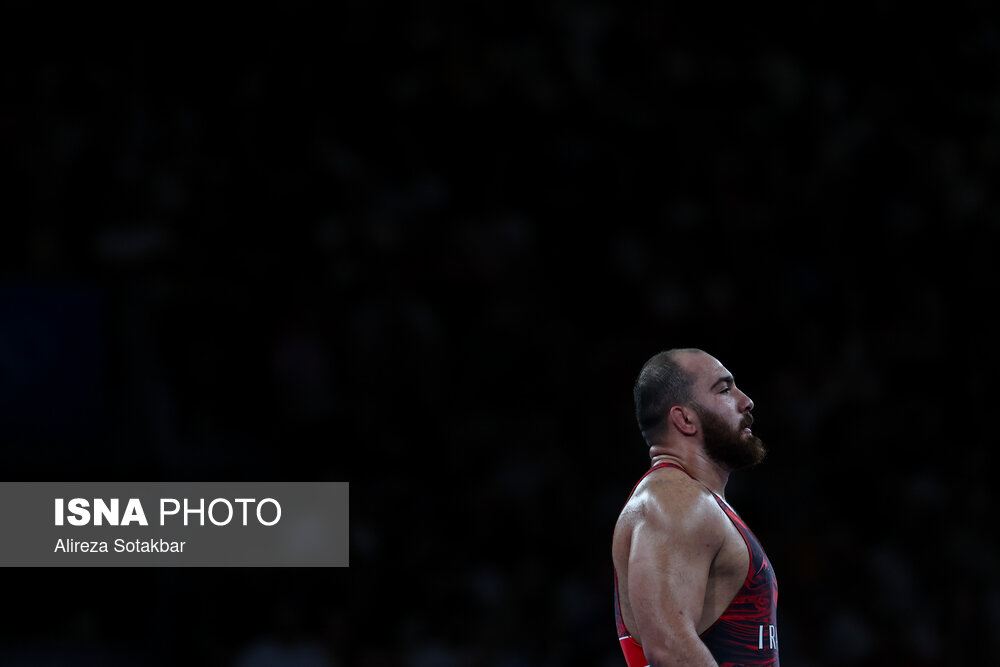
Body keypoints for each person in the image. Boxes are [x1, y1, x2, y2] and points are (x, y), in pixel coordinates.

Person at [612, 348, 779, 666]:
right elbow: (668, 650)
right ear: (685, 419)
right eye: (724, 389)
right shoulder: (672, 499)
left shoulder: (691, 499)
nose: (746, 401)